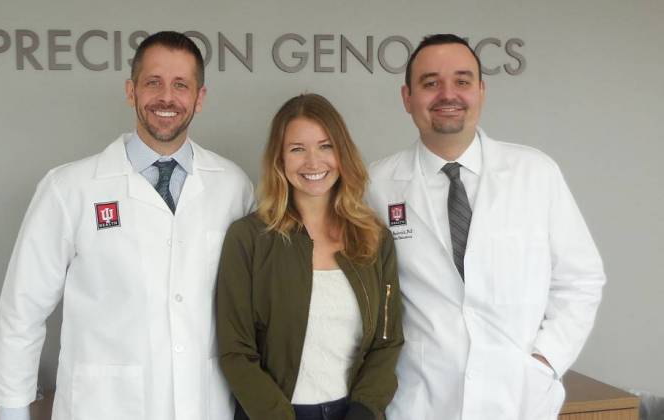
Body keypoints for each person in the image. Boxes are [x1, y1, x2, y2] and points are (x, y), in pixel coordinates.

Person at [0, 31, 254, 420]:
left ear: (199, 98)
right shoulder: (69, 188)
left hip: (204, 403)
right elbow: (22, 309)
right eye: (153, 83)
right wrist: (13, 412)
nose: (167, 97)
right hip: (103, 406)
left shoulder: (233, 186)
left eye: (181, 85)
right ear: (131, 91)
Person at [367, 34, 606, 420]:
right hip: (417, 400)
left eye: (462, 81)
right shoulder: (375, 186)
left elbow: (580, 279)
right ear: (407, 97)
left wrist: (546, 360)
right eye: (430, 83)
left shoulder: (535, 173)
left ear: (481, 91)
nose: (448, 94)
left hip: (516, 397)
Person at [217, 93, 403, 420]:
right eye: (297, 149)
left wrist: (363, 411)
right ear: (280, 159)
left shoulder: (374, 238)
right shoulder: (248, 239)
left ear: (342, 152)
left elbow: (387, 342)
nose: (313, 163)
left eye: (326, 146)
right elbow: (236, 352)